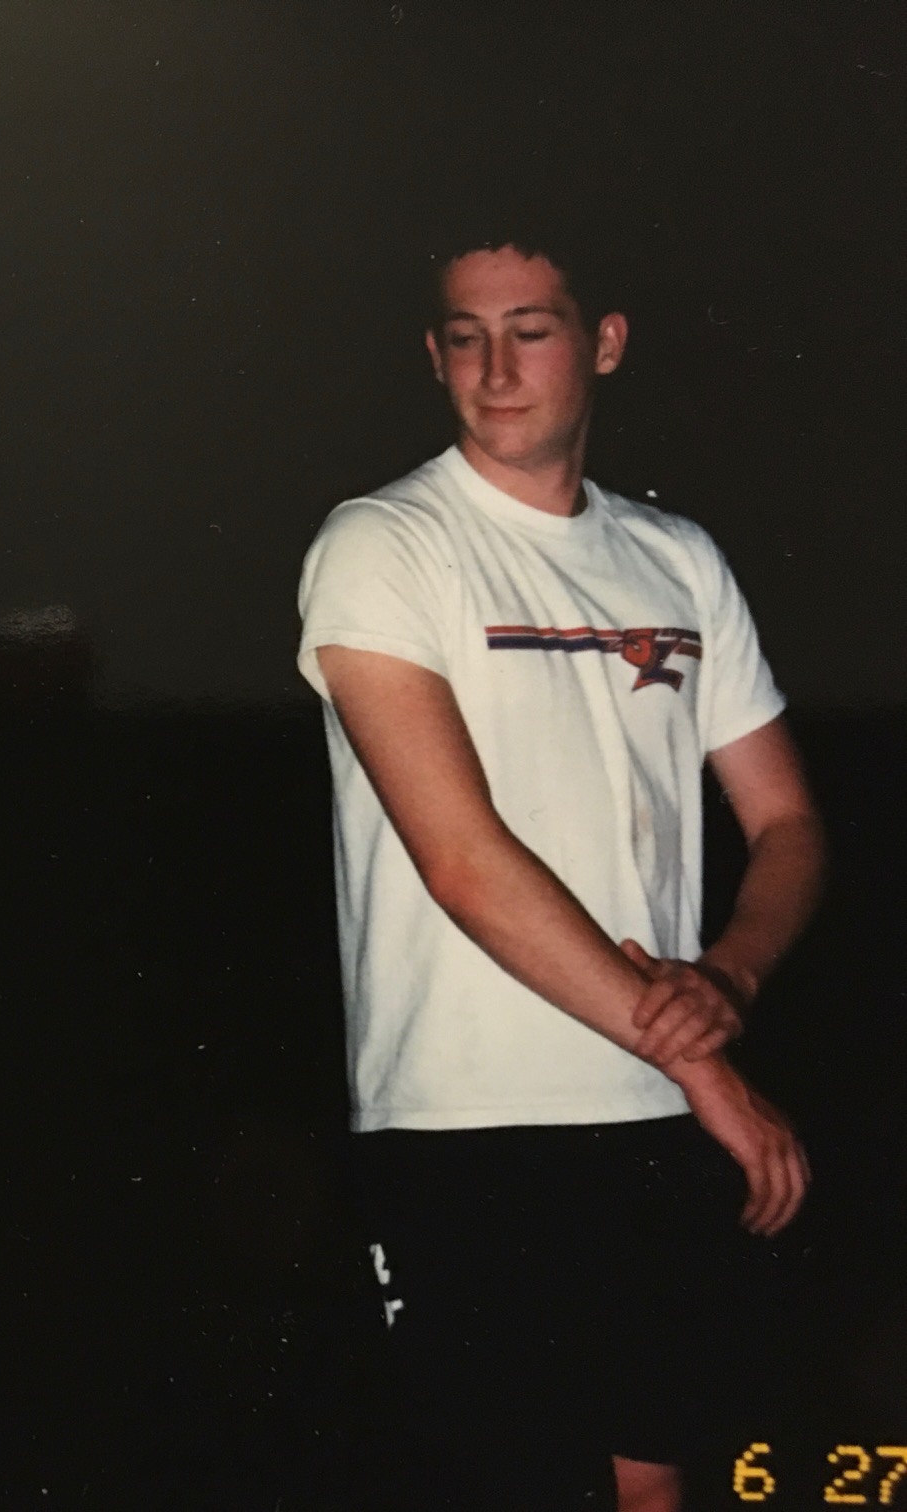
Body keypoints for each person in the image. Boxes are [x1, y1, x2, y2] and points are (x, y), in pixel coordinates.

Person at [295, 227, 825, 1511]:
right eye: (464, 338)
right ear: (433, 357)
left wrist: (728, 981)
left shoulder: (678, 558)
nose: (496, 369)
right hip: (466, 1117)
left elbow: (788, 825)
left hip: (653, 1115)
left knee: (653, 1488)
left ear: (603, 344)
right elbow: (462, 861)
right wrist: (708, 1071)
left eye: (530, 331)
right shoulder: (383, 544)